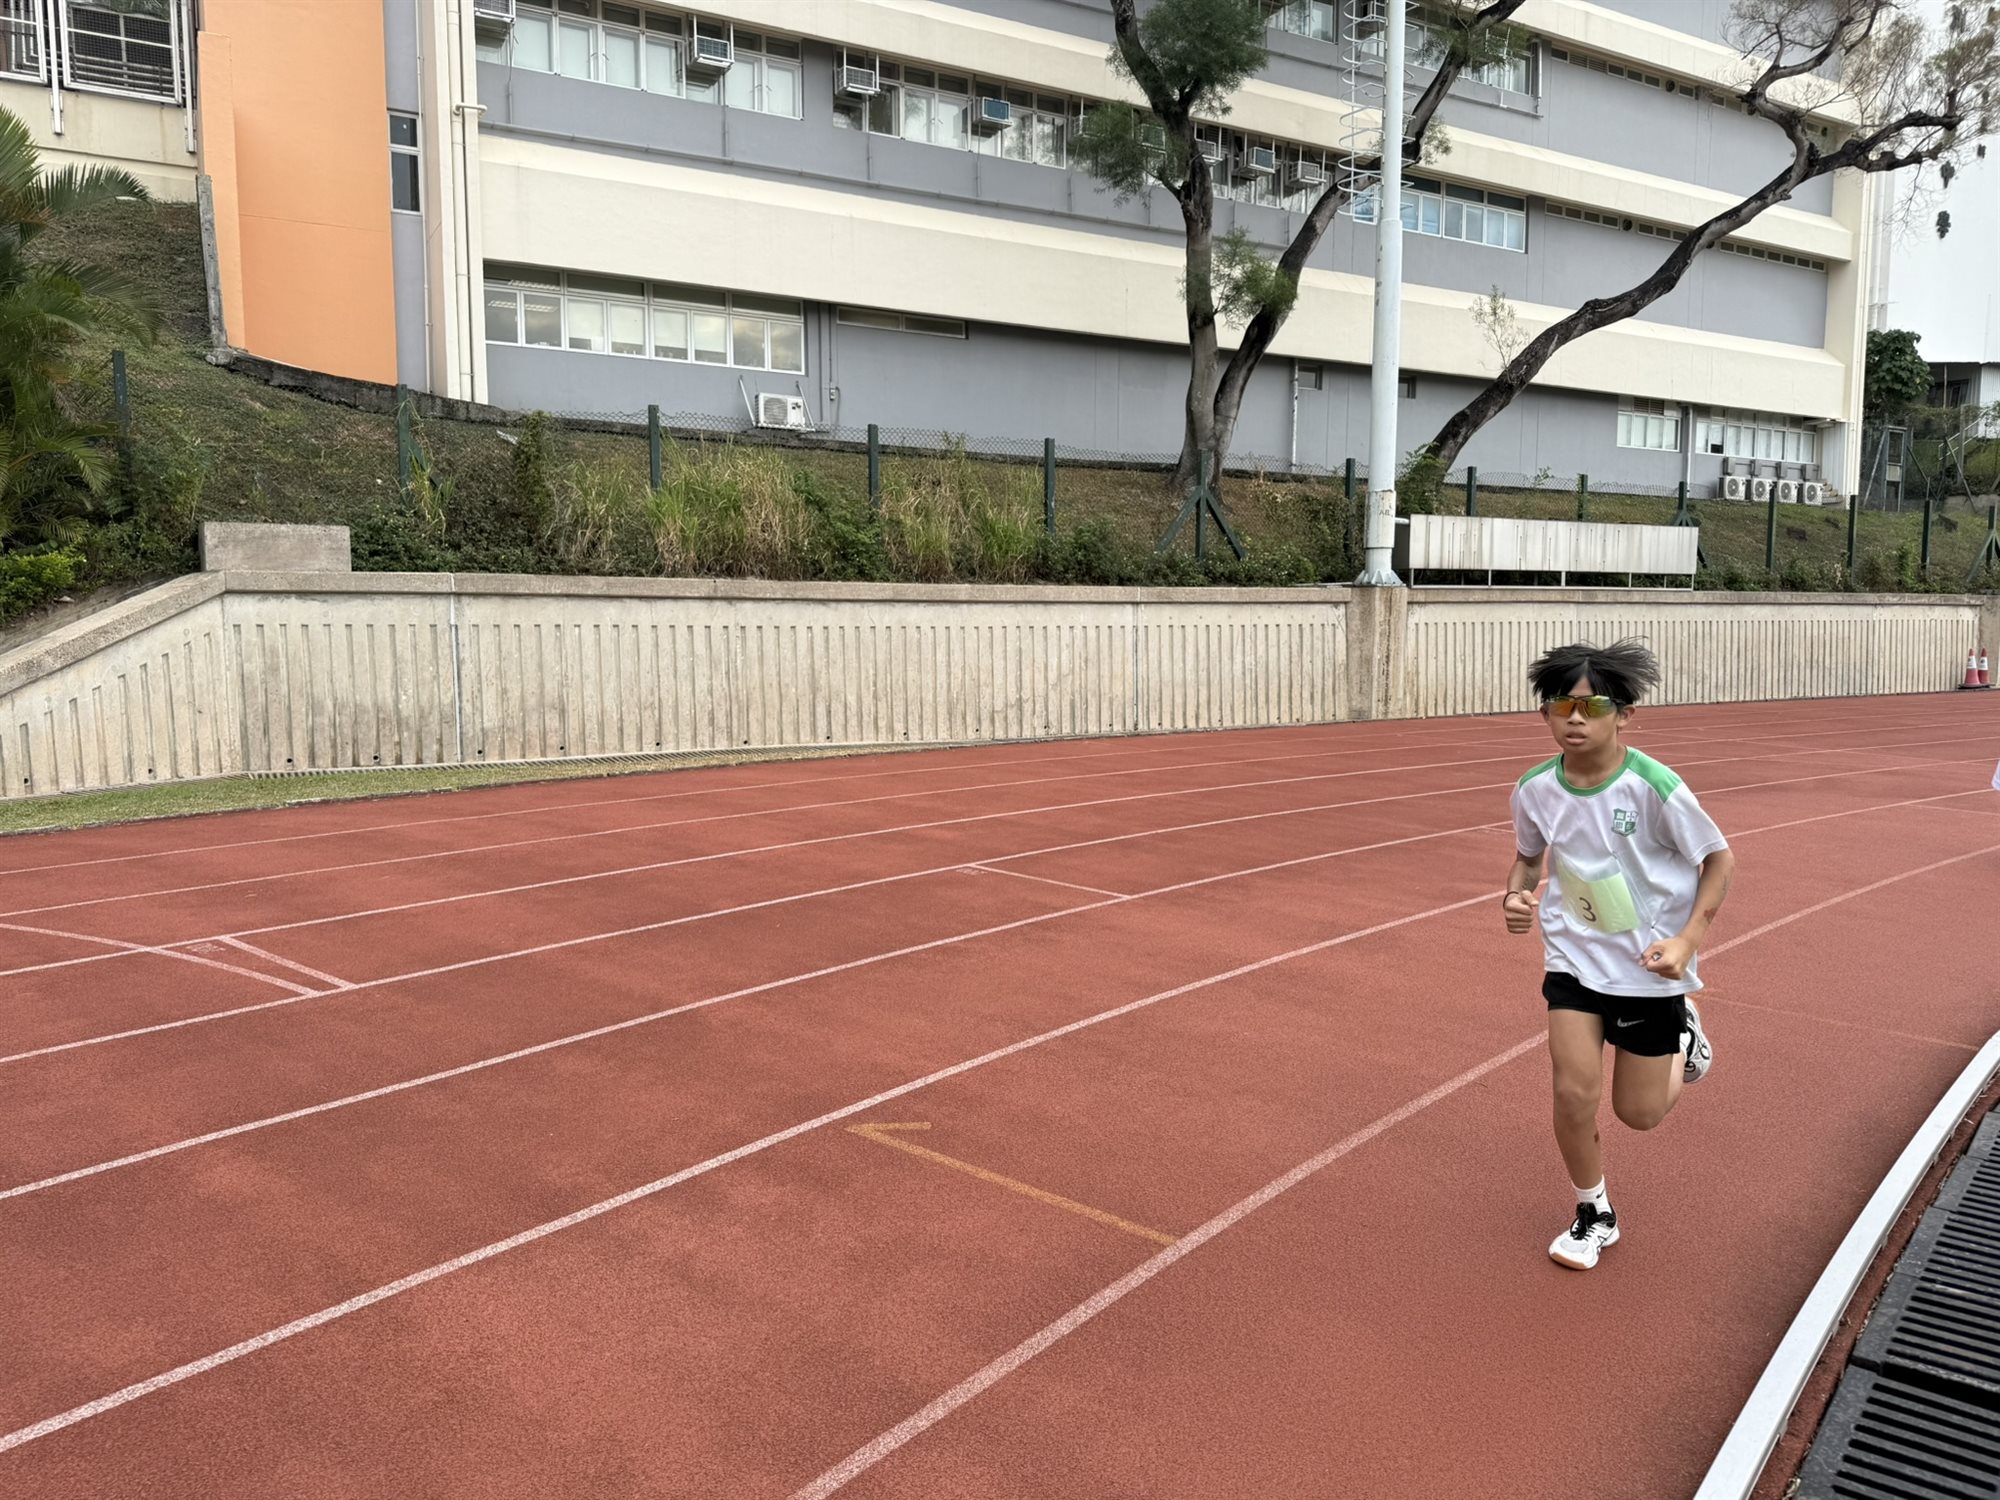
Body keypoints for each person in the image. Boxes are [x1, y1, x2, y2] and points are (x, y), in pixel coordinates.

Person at [1502, 639, 1737, 1271]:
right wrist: (1517, 896)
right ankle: (1594, 1213)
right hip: (1573, 957)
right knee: (1572, 1092)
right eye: (1562, 706)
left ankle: (1683, 1034)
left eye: (1594, 706)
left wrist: (1687, 942)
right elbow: (1528, 859)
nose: (1575, 719)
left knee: (1640, 1114)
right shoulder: (1533, 789)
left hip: (1645, 968)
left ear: (1624, 715)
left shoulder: (1654, 787)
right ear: (1545, 714)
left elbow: (1719, 861)